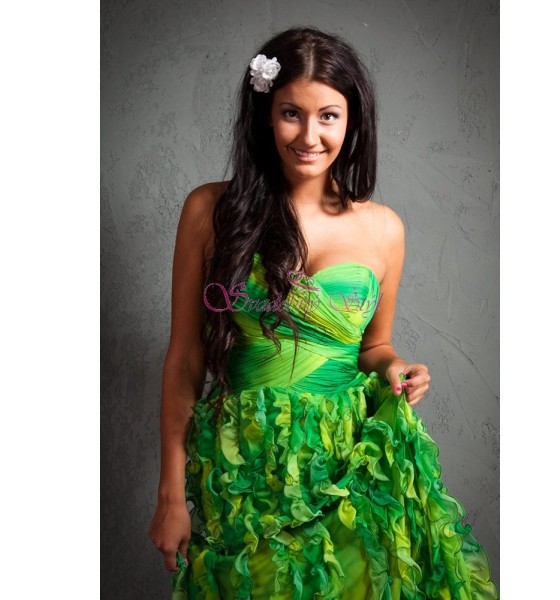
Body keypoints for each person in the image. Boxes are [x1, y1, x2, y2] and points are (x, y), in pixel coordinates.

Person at [149, 26, 498, 599]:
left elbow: (374, 346)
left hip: (349, 466)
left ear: (351, 121)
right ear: (266, 116)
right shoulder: (210, 210)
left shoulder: (384, 228)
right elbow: (185, 359)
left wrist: (395, 367)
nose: (310, 136)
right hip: (245, 464)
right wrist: (170, 494)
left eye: (328, 116)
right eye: (291, 113)